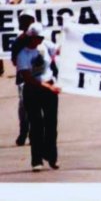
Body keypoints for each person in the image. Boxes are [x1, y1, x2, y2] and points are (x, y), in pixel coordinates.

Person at [16, 22, 60, 171]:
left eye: (41, 38)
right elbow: (28, 78)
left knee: (51, 124)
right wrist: (48, 86)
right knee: (36, 125)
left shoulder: (45, 46)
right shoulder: (23, 55)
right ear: (30, 38)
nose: (39, 41)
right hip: (33, 90)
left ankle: (51, 156)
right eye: (36, 38)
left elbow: (59, 51)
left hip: (49, 87)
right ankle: (37, 160)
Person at [11, 10, 36, 147]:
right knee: (24, 106)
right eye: (24, 20)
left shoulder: (40, 37)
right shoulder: (18, 41)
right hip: (23, 79)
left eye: (28, 19)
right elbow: (14, 61)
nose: (26, 23)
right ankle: (23, 131)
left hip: (38, 78)